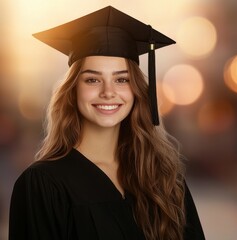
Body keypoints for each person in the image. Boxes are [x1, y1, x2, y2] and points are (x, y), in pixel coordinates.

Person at [9, 6, 205, 240]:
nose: (108, 92)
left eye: (121, 79)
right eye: (93, 79)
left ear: (136, 91)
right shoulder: (43, 184)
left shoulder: (164, 178)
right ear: (73, 91)